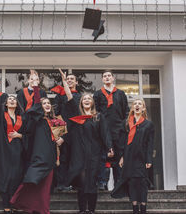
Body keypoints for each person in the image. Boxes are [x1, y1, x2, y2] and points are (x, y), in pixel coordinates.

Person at [10, 77, 61, 214]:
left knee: (45, 189)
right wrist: (36, 88)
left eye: (48, 103)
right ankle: (20, 202)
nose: (47, 105)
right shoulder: (37, 119)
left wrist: (61, 139)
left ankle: (43, 210)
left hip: (50, 159)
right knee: (30, 181)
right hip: (39, 158)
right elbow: (36, 105)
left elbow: (61, 135)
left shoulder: (55, 121)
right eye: (44, 103)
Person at [65, 73, 113, 214]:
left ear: (92, 103)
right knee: (81, 183)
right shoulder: (77, 116)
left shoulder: (98, 117)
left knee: (91, 182)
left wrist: (109, 146)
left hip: (94, 153)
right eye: (84, 99)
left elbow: (105, 133)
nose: (86, 100)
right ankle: (82, 210)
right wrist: (64, 81)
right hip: (79, 154)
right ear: (81, 102)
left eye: (89, 99)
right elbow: (69, 98)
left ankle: (91, 210)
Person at [111, 98, 154, 214]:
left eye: (140, 104)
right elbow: (122, 142)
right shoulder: (126, 123)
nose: (137, 105)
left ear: (143, 108)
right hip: (129, 156)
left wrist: (149, 159)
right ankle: (135, 208)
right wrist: (122, 156)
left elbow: (150, 143)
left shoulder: (148, 124)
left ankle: (143, 208)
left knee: (142, 182)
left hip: (142, 157)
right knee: (132, 181)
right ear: (132, 108)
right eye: (135, 104)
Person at [0, 90, 27, 213]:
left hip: (17, 150)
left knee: (16, 177)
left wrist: (19, 136)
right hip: (3, 150)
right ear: (5, 104)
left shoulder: (22, 118)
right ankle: (6, 204)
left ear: (17, 104)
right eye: (9, 99)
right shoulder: (0, 115)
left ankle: (14, 202)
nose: (11, 100)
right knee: (5, 177)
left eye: (14, 99)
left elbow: (28, 133)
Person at [93, 70, 129, 189]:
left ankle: (119, 183)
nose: (107, 78)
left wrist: (125, 125)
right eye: (104, 76)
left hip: (119, 130)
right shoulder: (97, 94)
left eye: (109, 76)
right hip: (103, 130)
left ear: (113, 78)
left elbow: (126, 111)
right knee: (104, 156)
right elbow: (95, 112)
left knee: (119, 156)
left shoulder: (120, 93)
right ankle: (102, 183)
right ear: (102, 79)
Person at [51, 72, 81, 191]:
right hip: (62, 130)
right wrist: (58, 131)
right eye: (67, 79)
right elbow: (56, 114)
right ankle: (61, 184)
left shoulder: (79, 97)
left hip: (75, 131)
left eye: (72, 79)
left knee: (75, 158)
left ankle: (75, 183)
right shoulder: (59, 96)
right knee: (62, 158)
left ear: (76, 82)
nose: (69, 80)